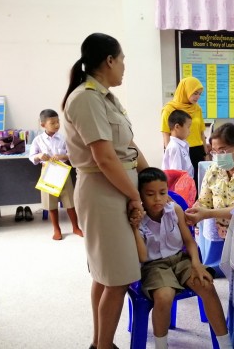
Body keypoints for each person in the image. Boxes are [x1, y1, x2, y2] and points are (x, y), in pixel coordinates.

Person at [62, 33, 149, 349]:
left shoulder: (106, 96)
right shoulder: (86, 97)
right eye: (122, 60)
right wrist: (135, 196)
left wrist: (149, 175)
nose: (124, 67)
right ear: (109, 60)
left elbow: (127, 145)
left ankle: (101, 343)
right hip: (104, 191)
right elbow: (104, 157)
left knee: (104, 274)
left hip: (116, 187)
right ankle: (103, 345)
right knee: (118, 276)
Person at [129, 168, 232, 349]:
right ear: (140, 196)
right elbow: (143, 256)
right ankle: (161, 346)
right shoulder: (138, 218)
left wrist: (197, 264)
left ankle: (225, 345)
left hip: (180, 259)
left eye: (162, 192)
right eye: (150, 194)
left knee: (206, 284)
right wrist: (135, 228)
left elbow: (189, 241)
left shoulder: (174, 210)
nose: (158, 199)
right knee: (164, 296)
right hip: (153, 266)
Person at [29, 109, 83, 240]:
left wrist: (63, 155)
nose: (56, 125)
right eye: (52, 123)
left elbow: (72, 154)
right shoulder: (38, 140)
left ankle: (75, 227)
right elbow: (31, 156)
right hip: (47, 172)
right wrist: (39, 156)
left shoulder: (64, 138)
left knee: (70, 201)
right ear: (43, 125)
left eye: (58, 122)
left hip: (63, 172)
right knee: (50, 203)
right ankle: (56, 229)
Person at [161, 77, 210, 187]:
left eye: (200, 94)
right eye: (195, 93)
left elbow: (202, 132)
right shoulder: (169, 109)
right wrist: (171, 152)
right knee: (181, 184)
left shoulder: (197, 108)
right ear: (185, 91)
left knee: (198, 183)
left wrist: (206, 154)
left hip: (197, 150)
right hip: (180, 150)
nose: (197, 97)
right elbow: (166, 134)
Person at [161, 109, 194, 178]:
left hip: (186, 183)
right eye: (188, 127)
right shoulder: (175, 147)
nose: (189, 131)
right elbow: (176, 174)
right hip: (180, 186)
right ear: (177, 127)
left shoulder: (182, 144)